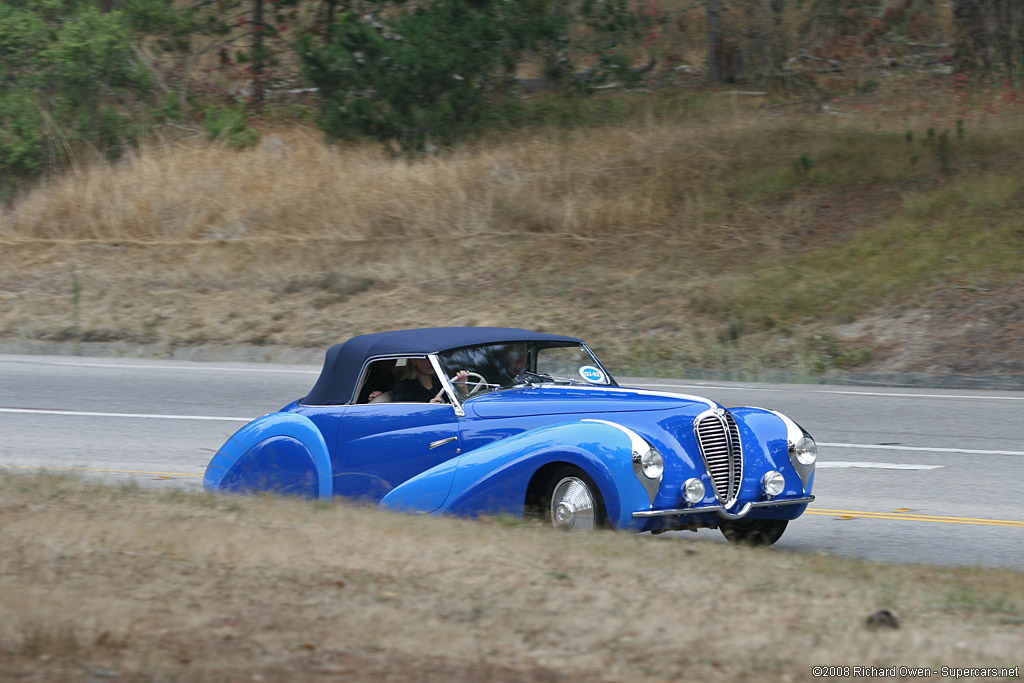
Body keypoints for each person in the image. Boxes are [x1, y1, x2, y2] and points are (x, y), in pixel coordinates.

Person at [390, 358, 469, 404]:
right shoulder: (403, 386)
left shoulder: (441, 381)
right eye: (426, 358)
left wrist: (462, 387)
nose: (431, 362)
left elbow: (460, 404)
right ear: (414, 361)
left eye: (433, 358)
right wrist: (429, 408)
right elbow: (401, 413)